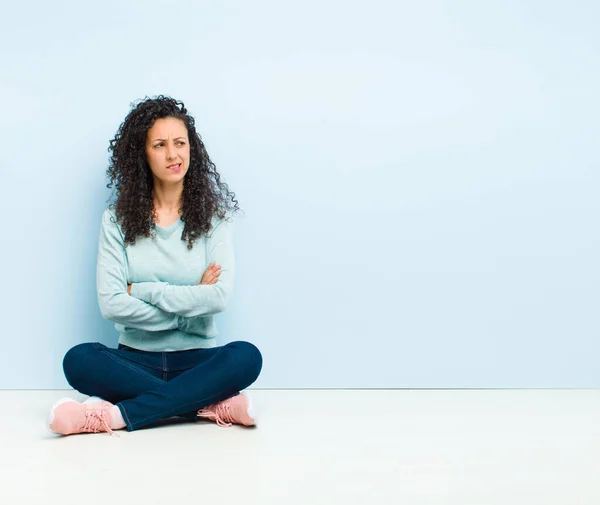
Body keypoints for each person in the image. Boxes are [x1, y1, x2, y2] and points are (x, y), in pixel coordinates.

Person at [47, 96, 263, 436]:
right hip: (134, 360)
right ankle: (205, 405)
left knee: (246, 356)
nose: (173, 155)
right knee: (79, 359)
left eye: (180, 143)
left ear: (192, 148)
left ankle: (113, 417)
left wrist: (144, 291)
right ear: (143, 154)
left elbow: (219, 298)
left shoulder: (214, 221)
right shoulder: (116, 220)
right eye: (160, 145)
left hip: (198, 360)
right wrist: (188, 308)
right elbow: (112, 303)